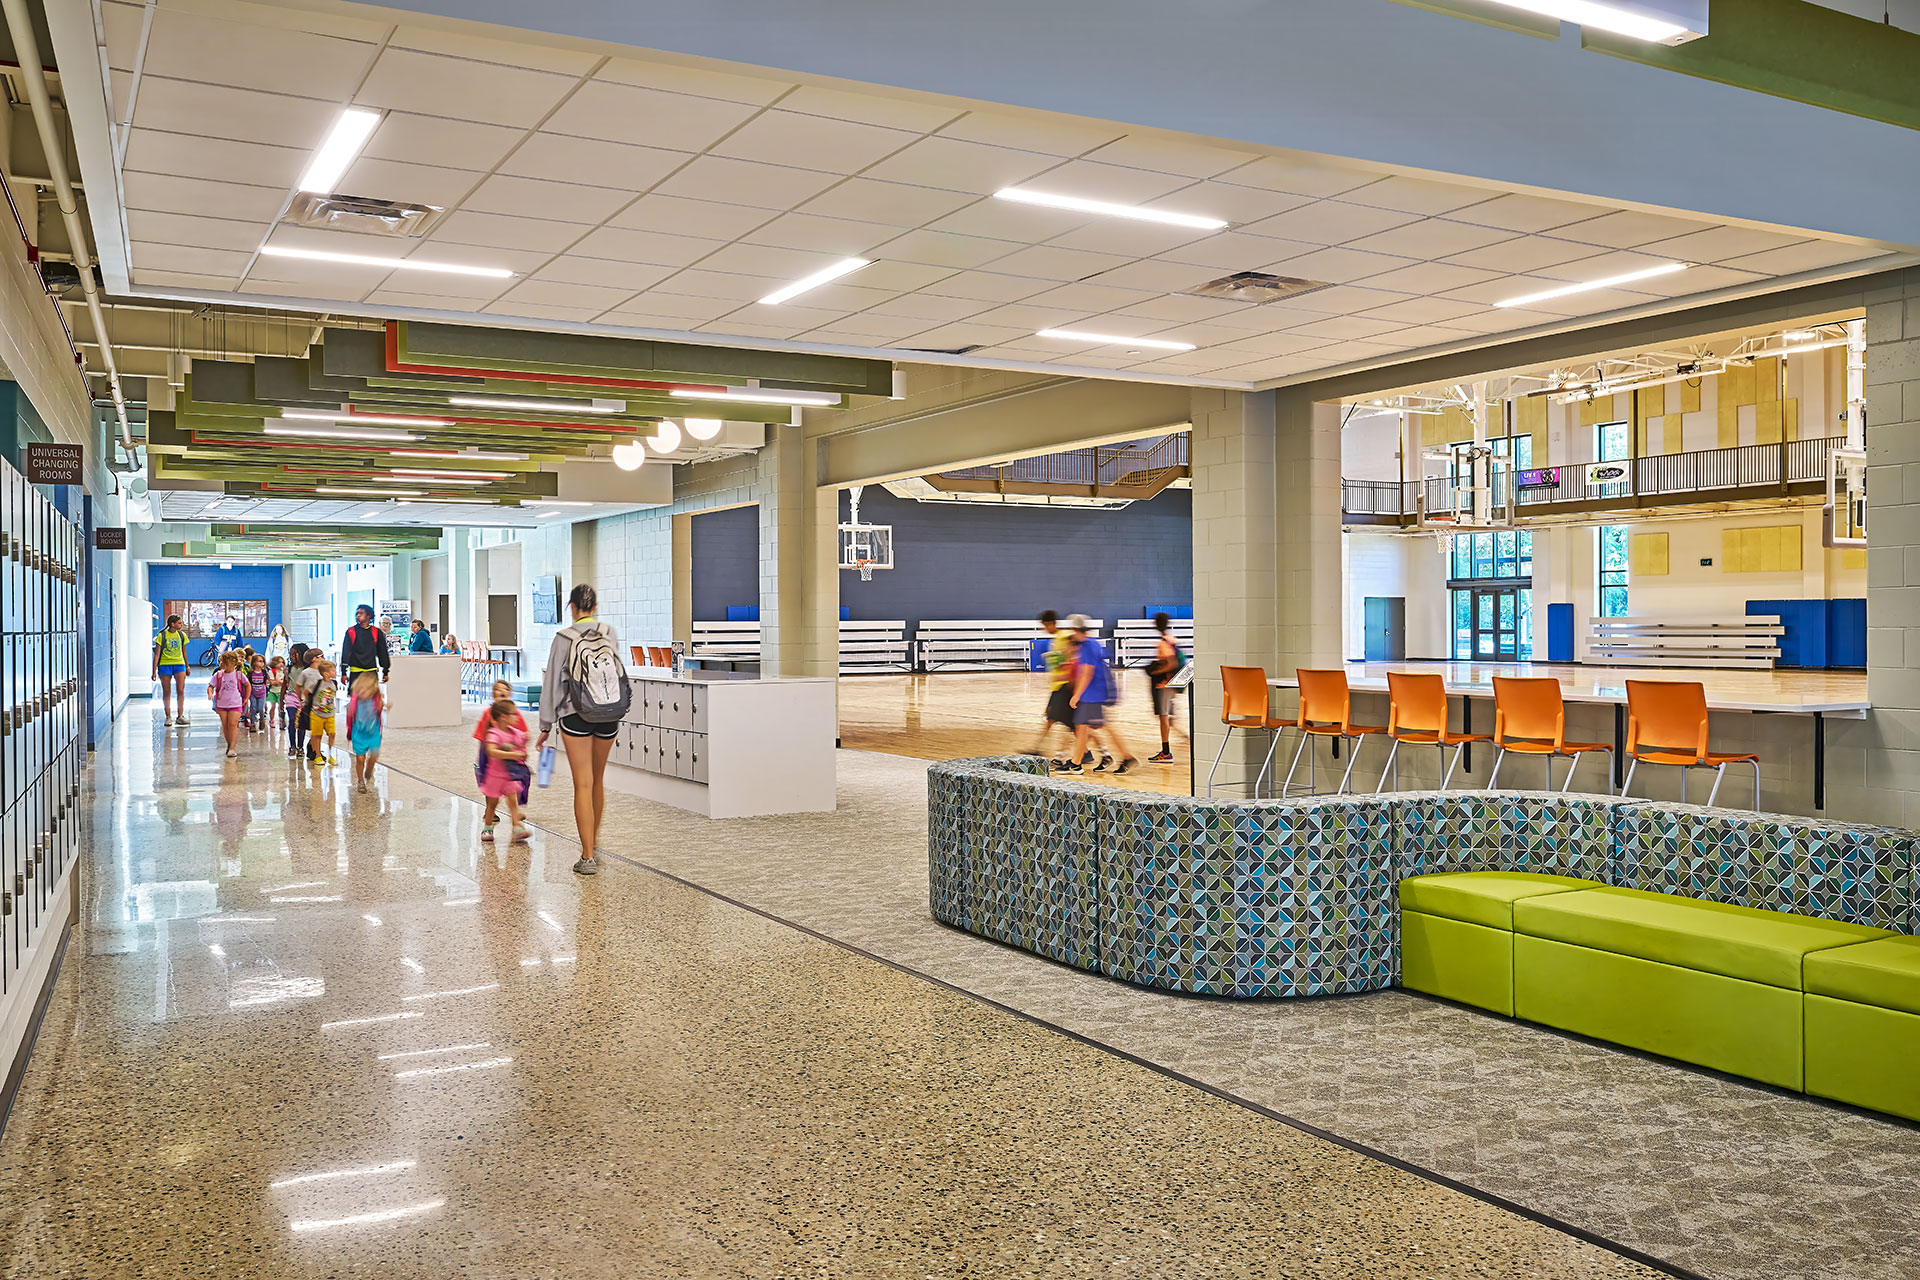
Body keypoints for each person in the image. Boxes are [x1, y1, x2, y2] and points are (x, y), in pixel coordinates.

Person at [536, 584, 625, 877]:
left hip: (576, 715)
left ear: (572, 608)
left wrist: (544, 725)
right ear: (594, 606)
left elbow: (551, 684)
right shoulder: (608, 632)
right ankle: (594, 840)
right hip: (608, 713)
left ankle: (587, 856)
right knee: (598, 780)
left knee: (582, 783)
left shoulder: (564, 637)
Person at [1061, 615, 1137, 776]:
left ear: (1075, 630)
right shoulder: (1089, 644)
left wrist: (1076, 695)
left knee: (1089, 726)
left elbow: (1087, 672)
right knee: (1084, 726)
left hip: (1092, 694)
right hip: (1094, 693)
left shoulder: (1088, 646)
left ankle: (1125, 757)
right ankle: (1077, 762)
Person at [474, 679, 529, 842]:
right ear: (503, 717)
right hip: (494, 775)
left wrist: (523, 749)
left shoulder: (513, 732)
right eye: (512, 715)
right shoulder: (494, 733)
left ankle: (517, 827)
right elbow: (491, 751)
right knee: (492, 803)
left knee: (512, 800)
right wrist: (512, 754)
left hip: (508, 775)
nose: (515, 717)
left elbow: (523, 738)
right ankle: (488, 827)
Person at [1026, 610, 1080, 762]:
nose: (1045, 629)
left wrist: (1063, 661)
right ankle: (1037, 748)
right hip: (1057, 686)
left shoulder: (1064, 636)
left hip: (1064, 685)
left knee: (1069, 723)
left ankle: (1094, 752)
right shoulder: (1055, 639)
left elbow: (1072, 654)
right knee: (1052, 719)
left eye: (1045, 625)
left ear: (1052, 623)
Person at [1147, 612, 1187, 764]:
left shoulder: (1162, 644)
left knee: (1163, 717)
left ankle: (1166, 752)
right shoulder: (1172, 639)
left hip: (1165, 684)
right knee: (1168, 717)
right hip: (1173, 684)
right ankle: (1183, 737)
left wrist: (1154, 672)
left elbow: (1171, 664)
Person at [346, 672, 384, 794]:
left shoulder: (376, 700)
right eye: (359, 689)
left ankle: (370, 768)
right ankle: (360, 781)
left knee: (374, 755)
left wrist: (381, 705)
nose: (362, 692)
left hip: (373, 733)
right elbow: (349, 719)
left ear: (373, 690)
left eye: (366, 690)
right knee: (360, 758)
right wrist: (349, 732)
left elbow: (379, 712)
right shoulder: (354, 702)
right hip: (359, 733)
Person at [338, 604, 391, 688]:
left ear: (369, 616)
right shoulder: (351, 631)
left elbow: (382, 653)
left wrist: (385, 671)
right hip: (355, 672)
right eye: (357, 614)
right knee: (355, 699)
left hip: (371, 672)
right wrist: (343, 673)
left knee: (372, 699)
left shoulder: (376, 632)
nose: (358, 615)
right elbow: (346, 652)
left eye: (361, 613)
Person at [152, 614, 191, 726]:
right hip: (165, 665)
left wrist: (187, 666)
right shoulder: (162, 635)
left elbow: (184, 652)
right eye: (179, 623)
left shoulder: (182, 635)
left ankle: (180, 716)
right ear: (172, 624)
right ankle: (168, 716)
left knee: (180, 690)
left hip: (179, 664)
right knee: (167, 691)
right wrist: (154, 670)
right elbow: (157, 654)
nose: (181, 624)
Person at [208, 651, 247, 759]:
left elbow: (247, 685)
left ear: (231, 662)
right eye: (220, 661)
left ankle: (232, 747)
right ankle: (229, 744)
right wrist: (210, 693)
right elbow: (211, 686)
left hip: (235, 703)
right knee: (225, 725)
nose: (221, 664)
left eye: (223, 661)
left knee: (233, 724)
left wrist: (246, 698)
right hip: (222, 703)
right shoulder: (218, 675)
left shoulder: (239, 674)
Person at [308, 659, 341, 766]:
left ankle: (331, 754)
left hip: (330, 714)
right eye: (333, 670)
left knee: (332, 733)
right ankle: (318, 755)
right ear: (326, 673)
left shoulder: (334, 683)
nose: (335, 672)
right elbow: (306, 692)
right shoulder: (316, 684)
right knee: (317, 735)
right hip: (317, 714)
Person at [284, 645, 312, 759]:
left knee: (301, 723)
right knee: (291, 720)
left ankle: (300, 747)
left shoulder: (307, 670)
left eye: (294, 654)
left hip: (303, 699)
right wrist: (281, 700)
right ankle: (292, 746)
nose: (291, 656)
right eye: (290, 654)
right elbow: (284, 685)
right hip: (291, 697)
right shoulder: (289, 669)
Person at [246, 654, 269, 732]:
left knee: (260, 708)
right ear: (254, 662)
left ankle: (262, 720)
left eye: (263, 661)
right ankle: (252, 724)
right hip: (253, 693)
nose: (262, 663)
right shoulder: (250, 673)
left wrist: (265, 689)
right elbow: (248, 683)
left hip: (262, 693)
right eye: (259, 661)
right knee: (253, 708)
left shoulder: (264, 672)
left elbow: (266, 681)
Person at [266, 656, 287, 740]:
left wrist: (278, 682)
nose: (281, 664)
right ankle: (272, 720)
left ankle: (281, 720)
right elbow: (272, 682)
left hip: (280, 691)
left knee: (280, 707)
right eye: (279, 662)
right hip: (272, 691)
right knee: (273, 706)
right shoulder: (272, 671)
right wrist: (279, 682)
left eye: (282, 662)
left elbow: (283, 682)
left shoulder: (283, 672)